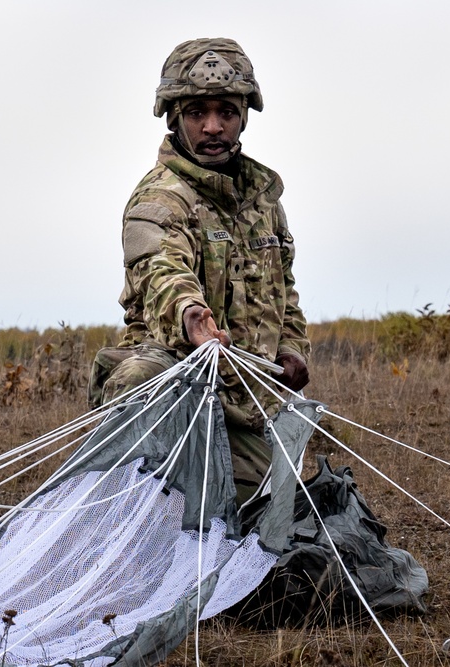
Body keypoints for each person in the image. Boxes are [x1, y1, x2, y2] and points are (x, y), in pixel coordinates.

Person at [88, 37, 311, 503]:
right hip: (177, 381)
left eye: (225, 113)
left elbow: (284, 288)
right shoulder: (159, 198)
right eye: (197, 114)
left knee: (260, 517)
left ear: (243, 117)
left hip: (244, 403)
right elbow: (160, 268)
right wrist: (191, 316)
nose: (213, 126)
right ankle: (126, 506)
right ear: (176, 118)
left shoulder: (263, 200)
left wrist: (291, 348)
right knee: (138, 379)